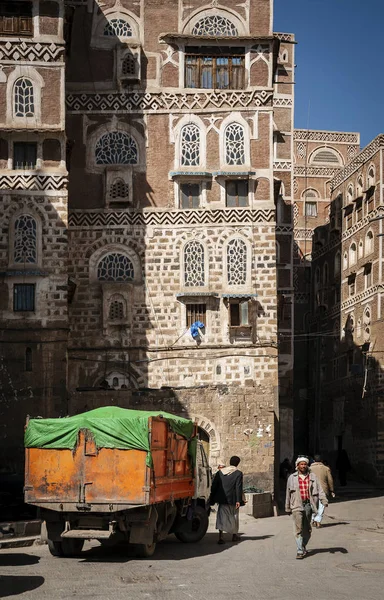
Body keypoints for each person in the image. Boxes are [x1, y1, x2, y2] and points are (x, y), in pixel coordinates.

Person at [285, 456, 328, 559]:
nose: (303, 466)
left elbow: (320, 490)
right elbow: (288, 493)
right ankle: (299, 550)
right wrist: (287, 507)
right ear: (297, 466)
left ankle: (303, 544)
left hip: (309, 505)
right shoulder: (292, 478)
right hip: (296, 505)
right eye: (301, 464)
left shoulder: (312, 477)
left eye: (305, 464)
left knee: (307, 529)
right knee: (298, 528)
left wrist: (324, 500)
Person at [209, 455, 243, 544]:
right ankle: (234, 536)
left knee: (221, 517)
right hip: (233, 500)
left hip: (222, 499)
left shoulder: (220, 472)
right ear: (238, 463)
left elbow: (214, 486)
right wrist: (238, 500)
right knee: (234, 517)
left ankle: (221, 537)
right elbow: (238, 487)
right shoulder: (238, 473)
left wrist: (212, 497)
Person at [310, 455, 335, 528]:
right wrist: (331, 490)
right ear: (321, 461)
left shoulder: (309, 469)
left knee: (313, 505)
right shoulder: (326, 469)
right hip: (323, 489)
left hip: (312, 489)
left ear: (314, 461)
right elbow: (330, 480)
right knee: (321, 506)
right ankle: (318, 521)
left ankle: (313, 519)